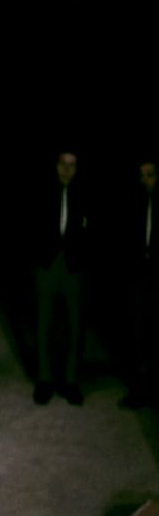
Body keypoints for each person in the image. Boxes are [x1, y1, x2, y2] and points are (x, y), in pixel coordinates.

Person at [31, 149, 90, 406]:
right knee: (44, 323)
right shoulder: (43, 191)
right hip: (46, 265)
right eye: (62, 164)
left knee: (75, 326)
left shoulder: (86, 194)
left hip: (74, 268)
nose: (66, 169)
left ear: (77, 169)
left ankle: (71, 381)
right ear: (56, 166)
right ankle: (44, 380)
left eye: (72, 165)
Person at [117, 158, 158, 408]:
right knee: (139, 334)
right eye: (142, 176)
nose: (146, 181)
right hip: (140, 278)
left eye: (150, 175)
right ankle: (140, 388)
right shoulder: (136, 203)